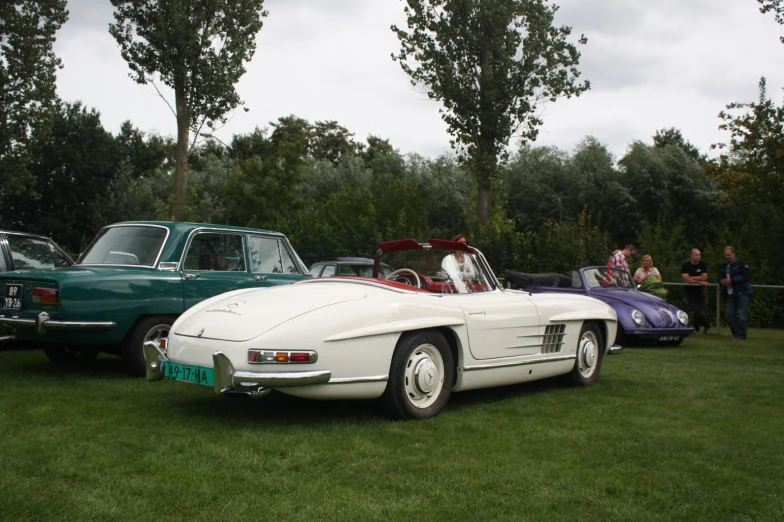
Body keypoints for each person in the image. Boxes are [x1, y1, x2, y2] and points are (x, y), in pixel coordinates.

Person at [720, 246, 752, 341]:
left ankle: (742, 336)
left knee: (741, 314)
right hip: (731, 293)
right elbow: (721, 276)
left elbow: (746, 276)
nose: (727, 257)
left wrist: (732, 280)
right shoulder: (725, 265)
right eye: (726, 255)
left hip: (742, 292)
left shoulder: (741, 263)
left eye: (729, 255)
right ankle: (736, 335)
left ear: (734, 254)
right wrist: (722, 281)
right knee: (729, 314)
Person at [681, 248, 711, 334]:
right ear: (691, 255)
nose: (698, 257)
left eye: (699, 255)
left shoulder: (703, 265)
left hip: (700, 291)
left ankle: (699, 327)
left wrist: (691, 278)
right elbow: (685, 279)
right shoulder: (685, 265)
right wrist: (700, 281)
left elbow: (704, 277)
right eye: (696, 255)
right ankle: (705, 325)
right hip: (689, 292)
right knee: (696, 309)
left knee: (700, 311)